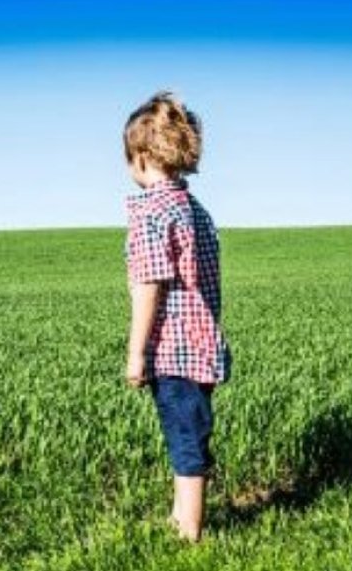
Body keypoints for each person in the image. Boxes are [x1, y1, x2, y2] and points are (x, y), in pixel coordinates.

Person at [122, 91, 231, 543]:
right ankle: (178, 517)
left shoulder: (152, 212)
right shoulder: (193, 209)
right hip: (203, 344)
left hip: (173, 349)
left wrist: (135, 353)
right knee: (189, 429)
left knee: (185, 439)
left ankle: (189, 533)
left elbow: (150, 286)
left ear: (142, 156)